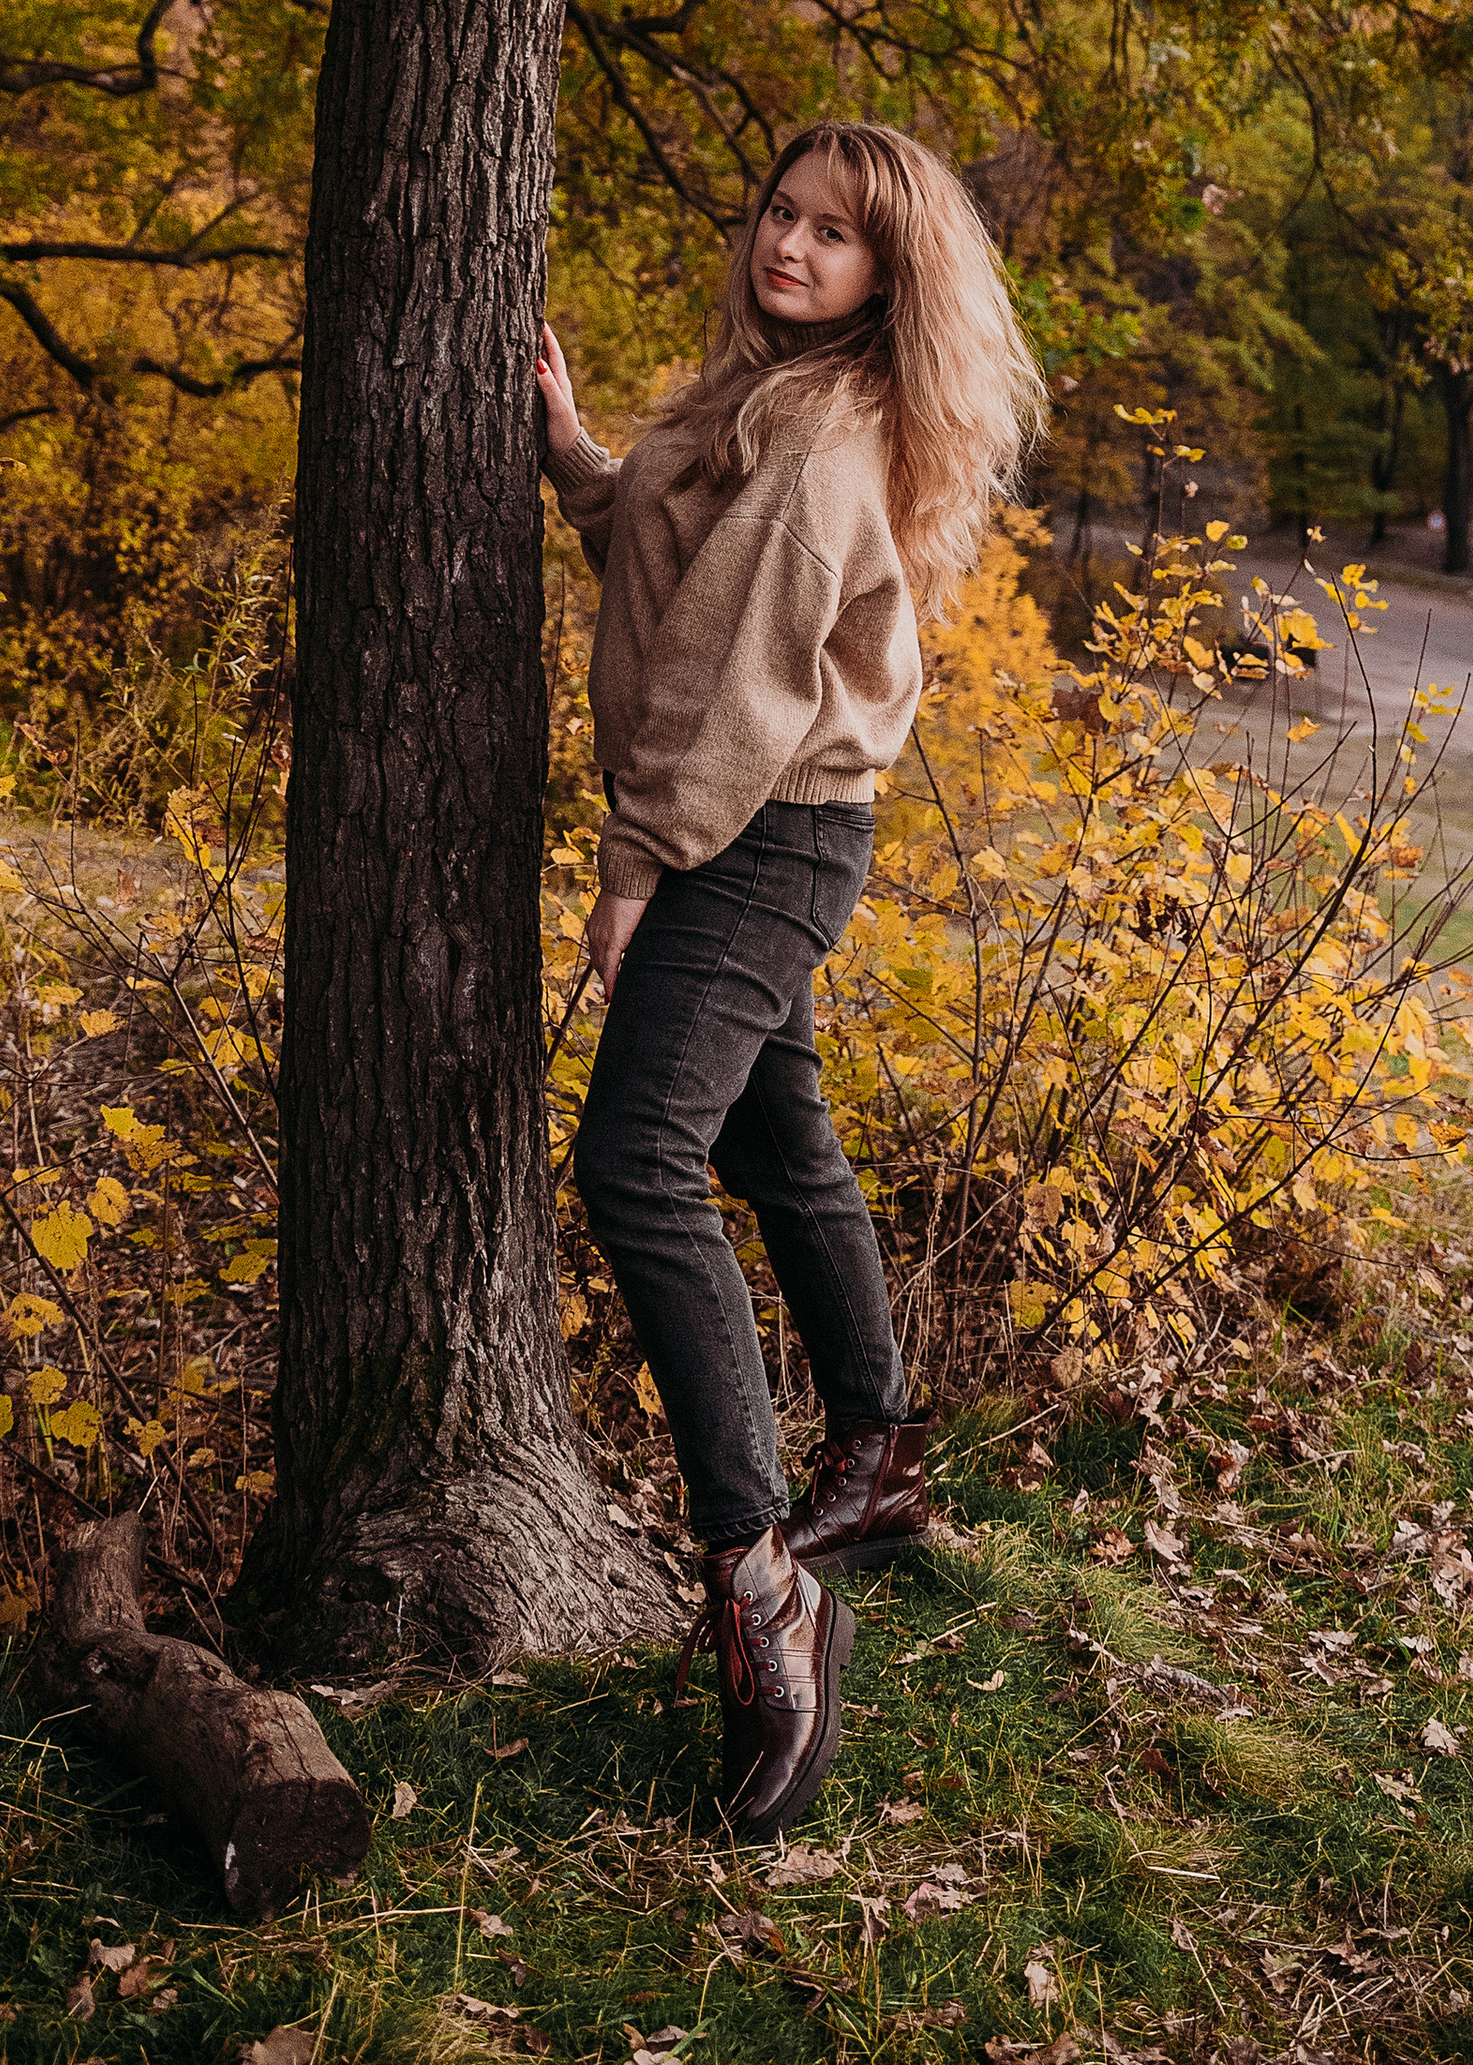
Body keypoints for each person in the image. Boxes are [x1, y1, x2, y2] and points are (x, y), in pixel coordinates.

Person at [537, 120, 1045, 1837]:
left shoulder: (827, 430)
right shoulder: (758, 394)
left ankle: (760, 1587)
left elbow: (738, 664)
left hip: (758, 833)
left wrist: (635, 864)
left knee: (636, 1163)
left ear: (887, 275)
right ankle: (880, 1451)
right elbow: (670, 556)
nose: (792, 245)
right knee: (774, 1141)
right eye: (781, 213)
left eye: (836, 234)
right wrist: (579, 463)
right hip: (756, 822)